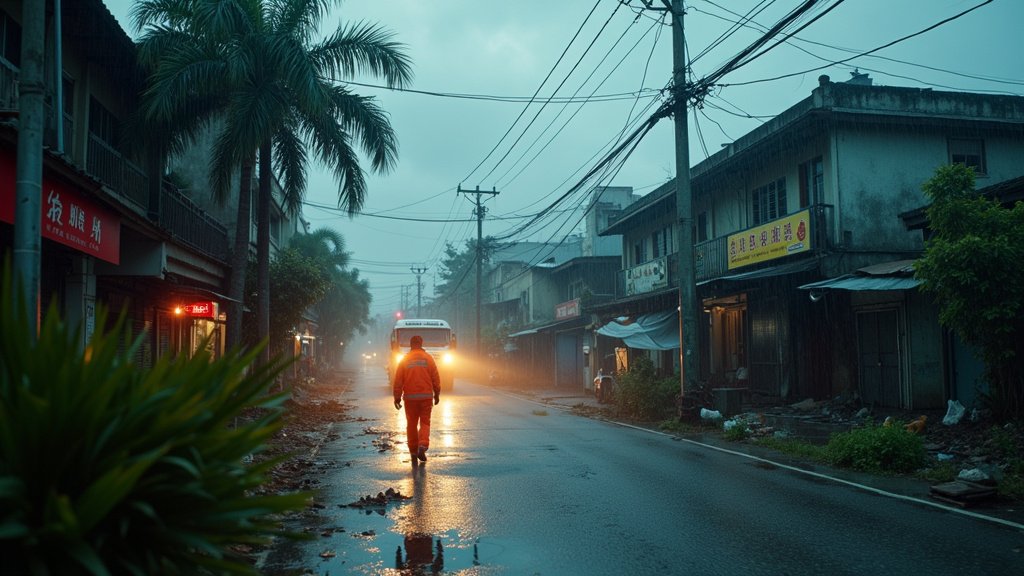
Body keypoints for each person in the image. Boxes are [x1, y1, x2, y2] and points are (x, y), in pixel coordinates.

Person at [393, 335, 441, 462]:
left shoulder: (405, 359)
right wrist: (437, 393)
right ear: (421, 344)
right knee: (425, 422)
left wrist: (397, 398)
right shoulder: (428, 358)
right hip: (426, 397)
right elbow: (435, 377)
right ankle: (423, 445)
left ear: (410, 345)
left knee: (411, 424)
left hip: (410, 399)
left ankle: (413, 452)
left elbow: (398, 380)